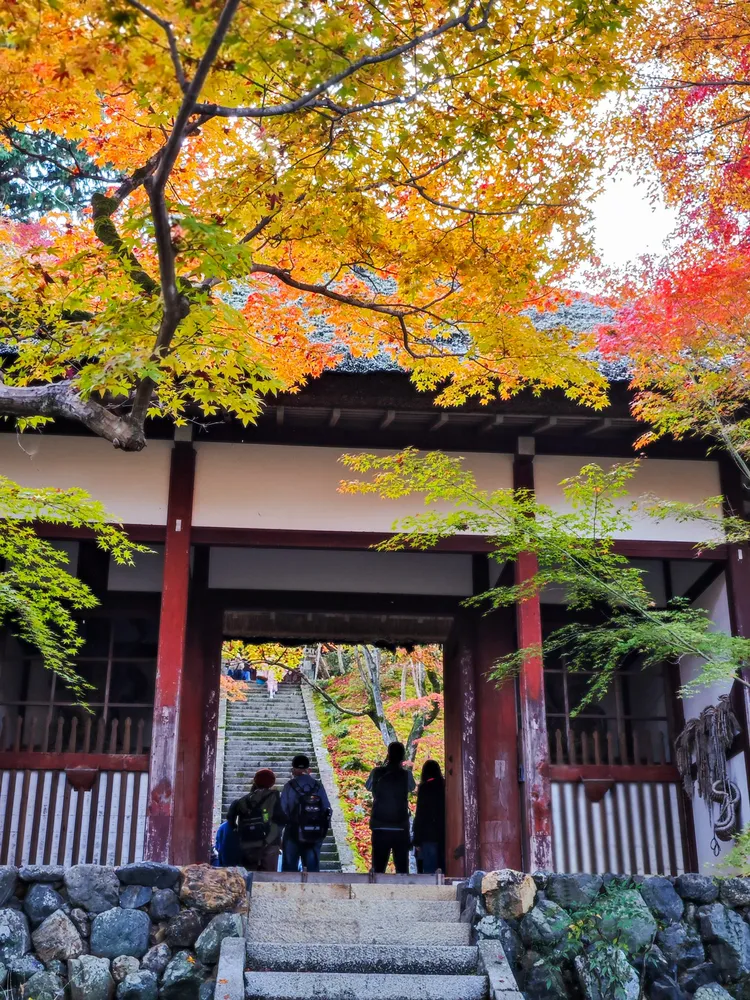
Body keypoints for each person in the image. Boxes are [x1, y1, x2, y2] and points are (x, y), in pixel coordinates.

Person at [366, 741, 415, 874]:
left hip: (379, 825)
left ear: (388, 754)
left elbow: (368, 786)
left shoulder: (377, 772)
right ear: (403, 756)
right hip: (400, 827)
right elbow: (412, 788)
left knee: (378, 868)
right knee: (402, 869)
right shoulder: (406, 775)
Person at [280, 754, 332, 872]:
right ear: (308, 769)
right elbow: (327, 809)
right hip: (314, 832)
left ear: (294, 769)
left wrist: (279, 834)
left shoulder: (289, 786)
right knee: (312, 871)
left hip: (293, 831)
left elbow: (282, 811)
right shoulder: (317, 785)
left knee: (289, 870)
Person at [226, 768, 286, 871]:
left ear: (255, 781)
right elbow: (282, 820)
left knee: (249, 877)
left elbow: (230, 820)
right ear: (272, 782)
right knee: (268, 878)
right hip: (270, 844)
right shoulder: (274, 797)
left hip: (247, 845)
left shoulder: (242, 801)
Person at [412, 759, 446, 874]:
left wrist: (416, 840)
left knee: (429, 872)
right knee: (445, 870)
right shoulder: (445, 786)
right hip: (445, 834)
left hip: (428, 835)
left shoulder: (425, 788)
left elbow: (420, 814)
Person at [213, 802, 243, 867]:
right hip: (240, 866)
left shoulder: (222, 828)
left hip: (224, 865)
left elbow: (218, 848)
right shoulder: (245, 829)